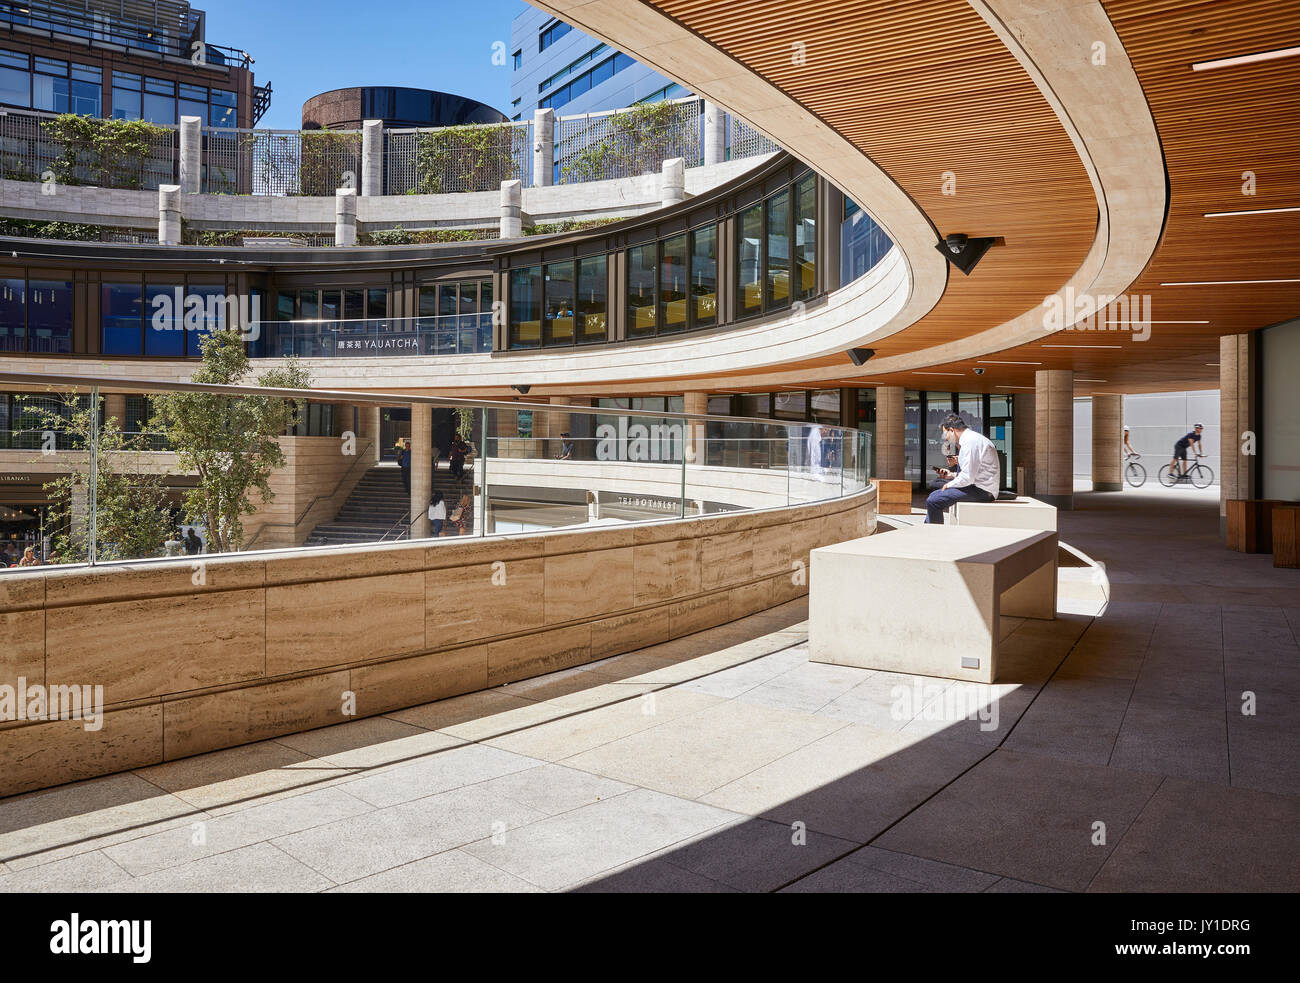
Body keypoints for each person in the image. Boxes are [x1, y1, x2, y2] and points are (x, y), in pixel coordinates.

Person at [925, 413, 1001, 523]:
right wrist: (951, 475)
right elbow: (973, 472)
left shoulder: (971, 442)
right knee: (934, 493)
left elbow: (968, 477)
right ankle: (929, 528)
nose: (946, 438)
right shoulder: (971, 439)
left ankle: (934, 533)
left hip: (982, 491)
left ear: (952, 430)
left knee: (934, 500)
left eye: (945, 434)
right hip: (978, 486)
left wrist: (949, 484)